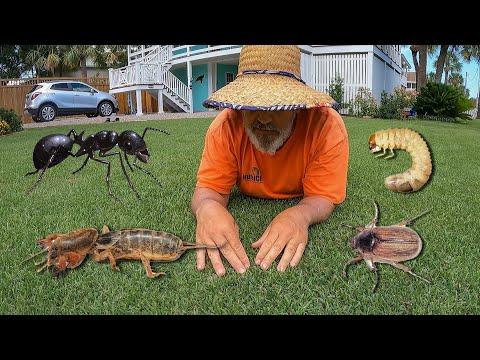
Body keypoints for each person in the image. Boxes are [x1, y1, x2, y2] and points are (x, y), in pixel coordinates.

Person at [191, 45, 349, 277]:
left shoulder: (326, 127)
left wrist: (301, 215)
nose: (264, 118)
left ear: (296, 106)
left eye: (277, 106)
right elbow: (207, 190)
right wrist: (207, 209)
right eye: (252, 106)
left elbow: (323, 196)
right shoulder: (224, 127)